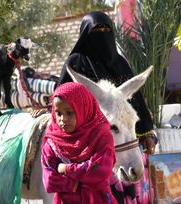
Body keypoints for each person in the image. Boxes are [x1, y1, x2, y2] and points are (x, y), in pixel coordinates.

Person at [58, 11, 158, 203]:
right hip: (89, 143)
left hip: (123, 141)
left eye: (106, 29)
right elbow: (62, 97)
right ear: (85, 34)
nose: (102, 34)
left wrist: (146, 130)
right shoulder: (75, 62)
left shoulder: (120, 62)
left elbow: (135, 98)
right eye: (97, 31)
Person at [41, 82, 117, 204]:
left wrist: (66, 169)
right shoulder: (52, 142)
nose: (63, 119)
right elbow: (49, 180)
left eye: (69, 112)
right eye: (58, 113)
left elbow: (100, 170)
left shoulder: (101, 137)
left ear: (84, 108)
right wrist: (74, 184)